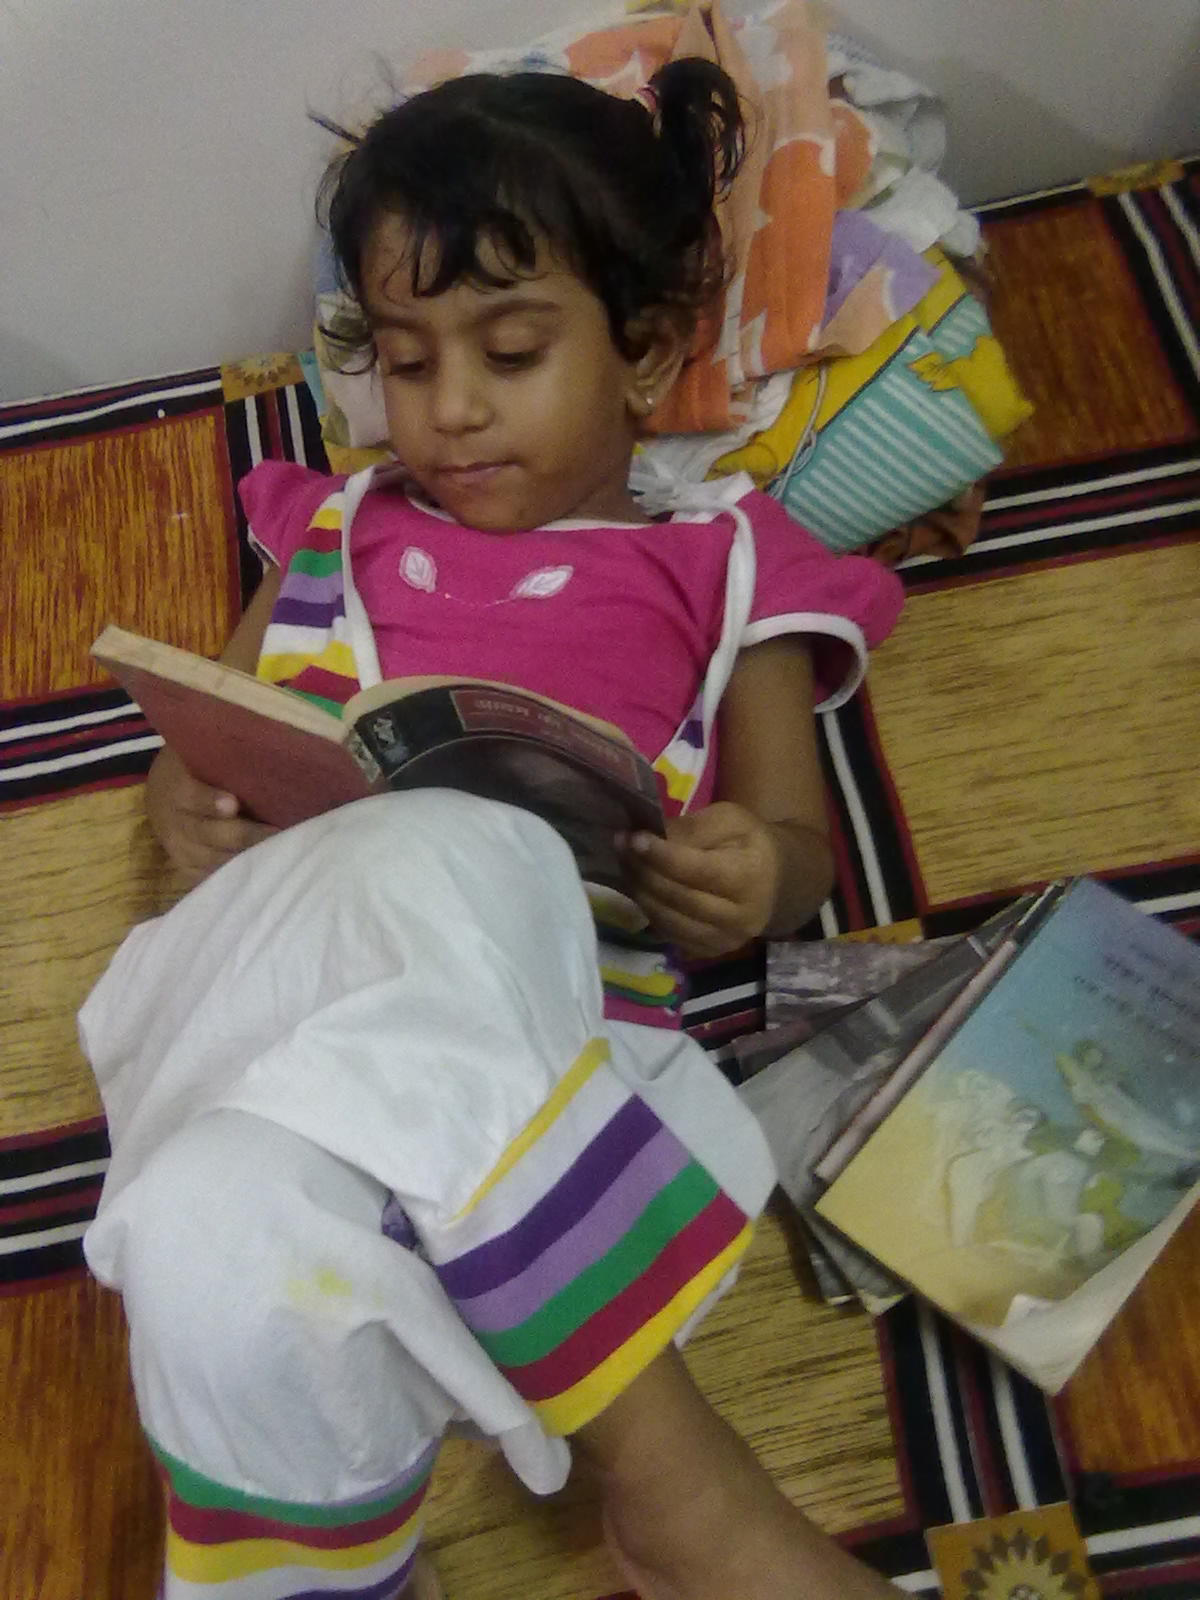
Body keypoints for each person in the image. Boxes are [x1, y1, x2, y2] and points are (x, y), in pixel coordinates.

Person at [81, 64, 904, 1600]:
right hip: (264, 1020)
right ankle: (641, 1481)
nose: (449, 409)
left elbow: (799, 846)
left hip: (560, 1082)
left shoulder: (722, 561)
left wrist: (750, 876)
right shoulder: (338, 523)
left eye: (511, 353)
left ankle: (455, 1538)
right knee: (402, 885)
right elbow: (218, 726)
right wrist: (185, 800)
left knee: (219, 1202)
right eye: (406, 361)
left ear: (644, 352)